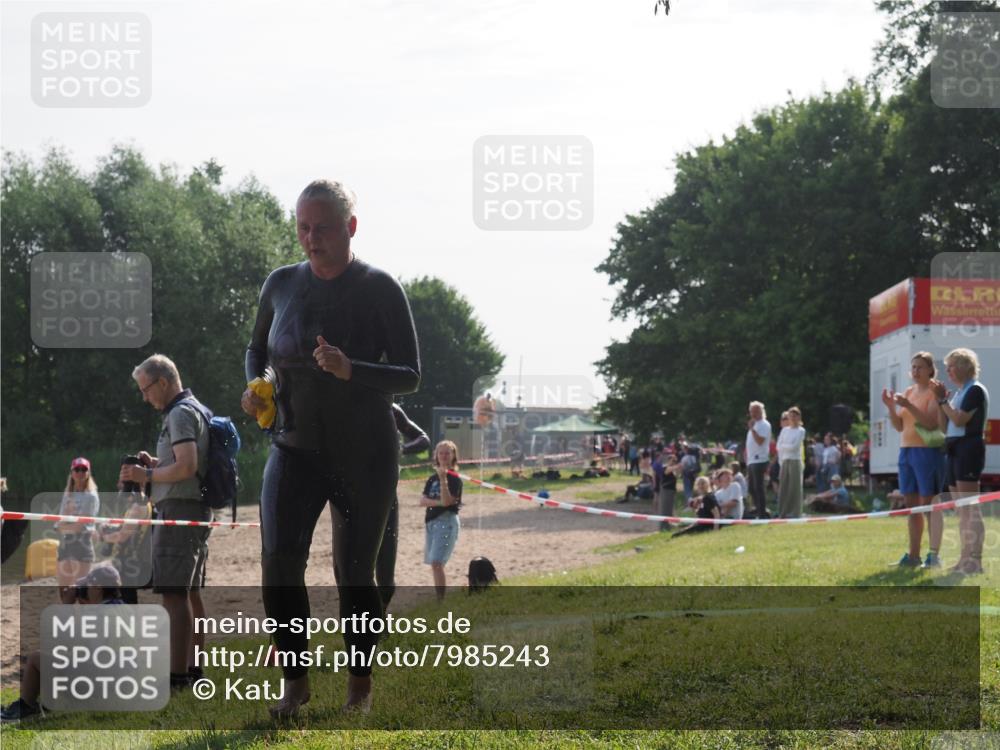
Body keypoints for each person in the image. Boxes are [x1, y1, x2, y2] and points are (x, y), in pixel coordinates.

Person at [241, 179, 420, 716]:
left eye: (321, 227)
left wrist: (351, 369)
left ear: (350, 228)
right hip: (293, 446)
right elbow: (257, 348)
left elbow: (410, 375)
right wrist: (258, 383)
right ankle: (295, 682)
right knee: (278, 567)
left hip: (364, 453)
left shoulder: (380, 288)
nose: (310, 238)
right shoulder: (280, 285)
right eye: (302, 227)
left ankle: (359, 688)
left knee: (355, 574)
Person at [120, 354, 212, 691]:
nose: (145, 397)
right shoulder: (195, 408)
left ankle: (176, 678)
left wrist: (146, 474)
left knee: (174, 596)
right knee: (191, 594)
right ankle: (193, 670)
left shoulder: (179, 414)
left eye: (146, 389)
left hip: (180, 511)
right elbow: (186, 464)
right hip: (192, 510)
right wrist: (158, 464)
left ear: (162, 382)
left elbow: (187, 467)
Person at [0, 565, 124, 723]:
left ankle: (25, 706)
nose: (84, 590)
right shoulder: (123, 609)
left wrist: (67, 605)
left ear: (98, 588)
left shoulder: (98, 615)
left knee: (36, 658)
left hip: (100, 691)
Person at [881, 352, 944, 568]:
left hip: (927, 452)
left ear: (930, 370)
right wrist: (891, 407)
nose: (915, 371)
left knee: (929, 506)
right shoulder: (909, 391)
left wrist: (908, 405)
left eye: (920, 367)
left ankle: (934, 556)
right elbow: (899, 426)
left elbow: (930, 424)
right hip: (906, 451)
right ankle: (913, 556)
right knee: (912, 506)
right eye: (913, 367)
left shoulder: (935, 392)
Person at [932, 348, 989, 575]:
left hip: (969, 448)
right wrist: (939, 402)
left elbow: (960, 418)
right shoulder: (958, 393)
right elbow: (944, 426)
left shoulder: (975, 390)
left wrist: (944, 401)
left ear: (965, 366)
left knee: (970, 507)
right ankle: (965, 558)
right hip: (953, 447)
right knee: (960, 509)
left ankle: (976, 560)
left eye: (952, 366)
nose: (948, 372)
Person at [374, 403, 430, 610]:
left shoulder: (390, 408)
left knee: (386, 564)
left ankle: (382, 613)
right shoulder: (346, 402)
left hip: (387, 493)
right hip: (352, 494)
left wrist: (402, 449)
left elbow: (423, 439)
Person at [419, 441, 462, 600]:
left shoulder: (454, 479)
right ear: (436, 456)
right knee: (435, 564)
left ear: (453, 456)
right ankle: (440, 598)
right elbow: (422, 501)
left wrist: (443, 479)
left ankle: (440, 601)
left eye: (447, 453)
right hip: (431, 523)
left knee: (437, 562)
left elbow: (448, 501)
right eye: (441, 453)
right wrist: (439, 503)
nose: (443, 456)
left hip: (446, 522)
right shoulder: (432, 478)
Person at [55, 457, 100, 604]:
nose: (80, 472)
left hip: (82, 543)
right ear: (72, 472)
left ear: (88, 473)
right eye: (77, 469)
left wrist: (66, 521)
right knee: (65, 593)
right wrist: (67, 518)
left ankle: (84, 625)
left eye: (84, 469)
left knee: (82, 594)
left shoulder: (91, 496)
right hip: (66, 544)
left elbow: (78, 526)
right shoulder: (67, 494)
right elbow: (59, 525)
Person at [776, 407, 806, 518]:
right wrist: (785, 446)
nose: (792, 418)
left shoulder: (801, 430)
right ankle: (783, 512)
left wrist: (785, 446)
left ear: (799, 417)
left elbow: (794, 447)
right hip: (785, 460)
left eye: (795, 416)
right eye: (791, 415)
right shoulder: (784, 430)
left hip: (795, 460)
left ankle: (795, 512)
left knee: (795, 487)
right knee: (784, 487)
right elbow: (779, 446)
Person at [745, 401, 772, 518]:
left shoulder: (764, 424)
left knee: (758, 487)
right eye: (752, 411)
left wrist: (752, 429)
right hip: (751, 460)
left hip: (759, 460)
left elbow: (760, 441)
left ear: (762, 411)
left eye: (756, 411)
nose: (753, 414)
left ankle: (762, 514)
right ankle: (761, 509)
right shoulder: (754, 425)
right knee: (751, 488)